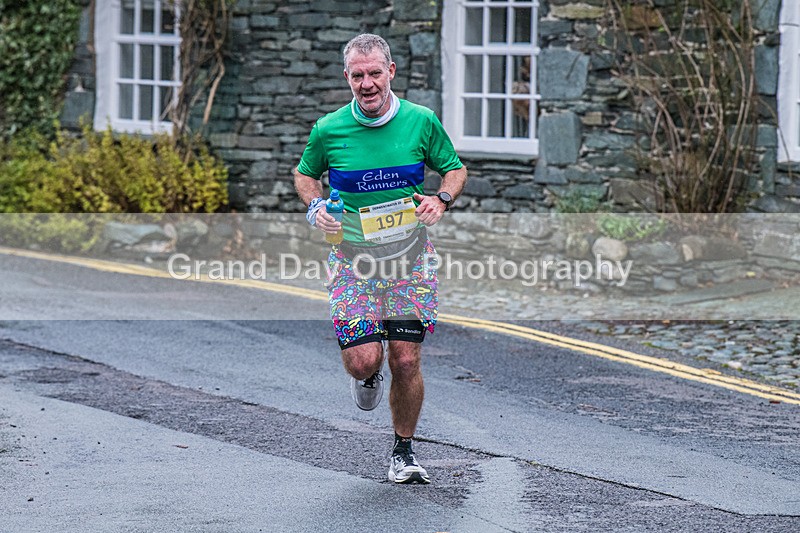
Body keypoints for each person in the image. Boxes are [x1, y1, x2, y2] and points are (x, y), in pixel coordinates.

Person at [293, 33, 467, 485]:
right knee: (365, 360)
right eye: (357, 75)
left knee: (406, 360)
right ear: (346, 77)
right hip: (353, 260)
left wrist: (441, 200)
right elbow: (305, 173)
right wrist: (316, 208)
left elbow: (454, 167)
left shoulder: (420, 121)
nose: (367, 84)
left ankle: (403, 451)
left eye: (374, 73)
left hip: (409, 259)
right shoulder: (329, 129)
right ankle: (366, 375)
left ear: (391, 71)